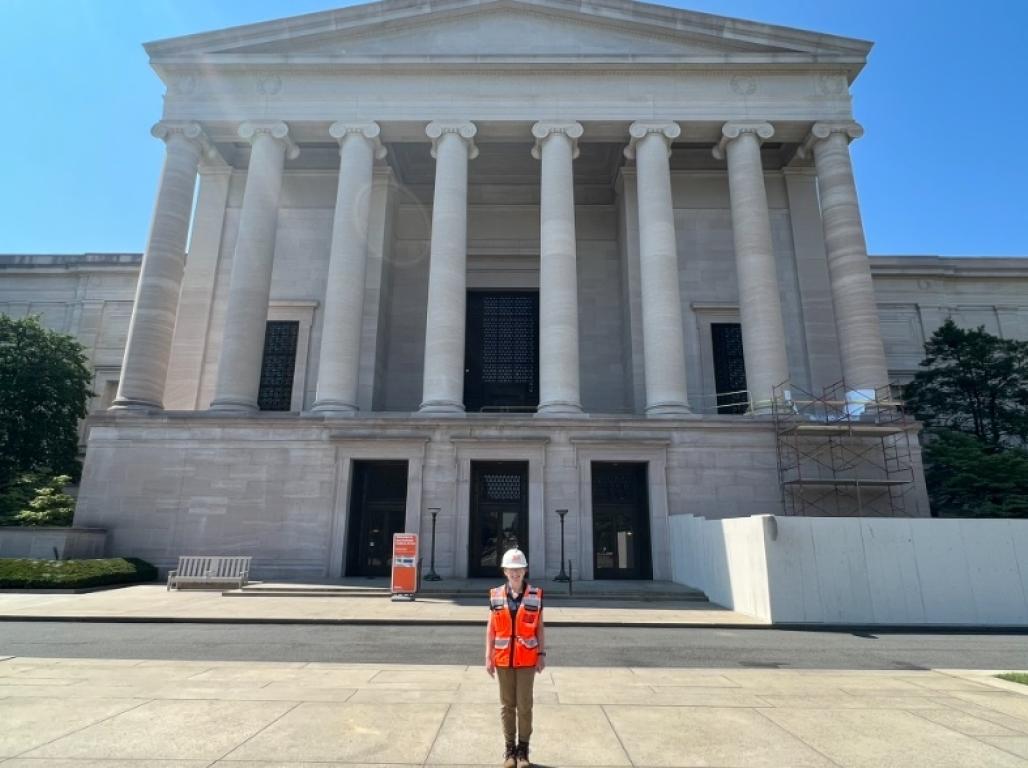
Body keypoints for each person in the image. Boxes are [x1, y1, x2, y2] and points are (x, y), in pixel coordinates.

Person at [485, 547, 545, 768]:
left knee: (525, 706)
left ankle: (523, 751)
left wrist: (541, 654)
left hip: (527, 660)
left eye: (519, 570)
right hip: (502, 659)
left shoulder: (535, 595)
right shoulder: (496, 594)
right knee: (506, 706)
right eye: (511, 570)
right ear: (505, 572)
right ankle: (509, 750)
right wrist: (487, 656)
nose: (515, 573)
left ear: (525, 571)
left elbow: (539, 627)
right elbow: (491, 628)